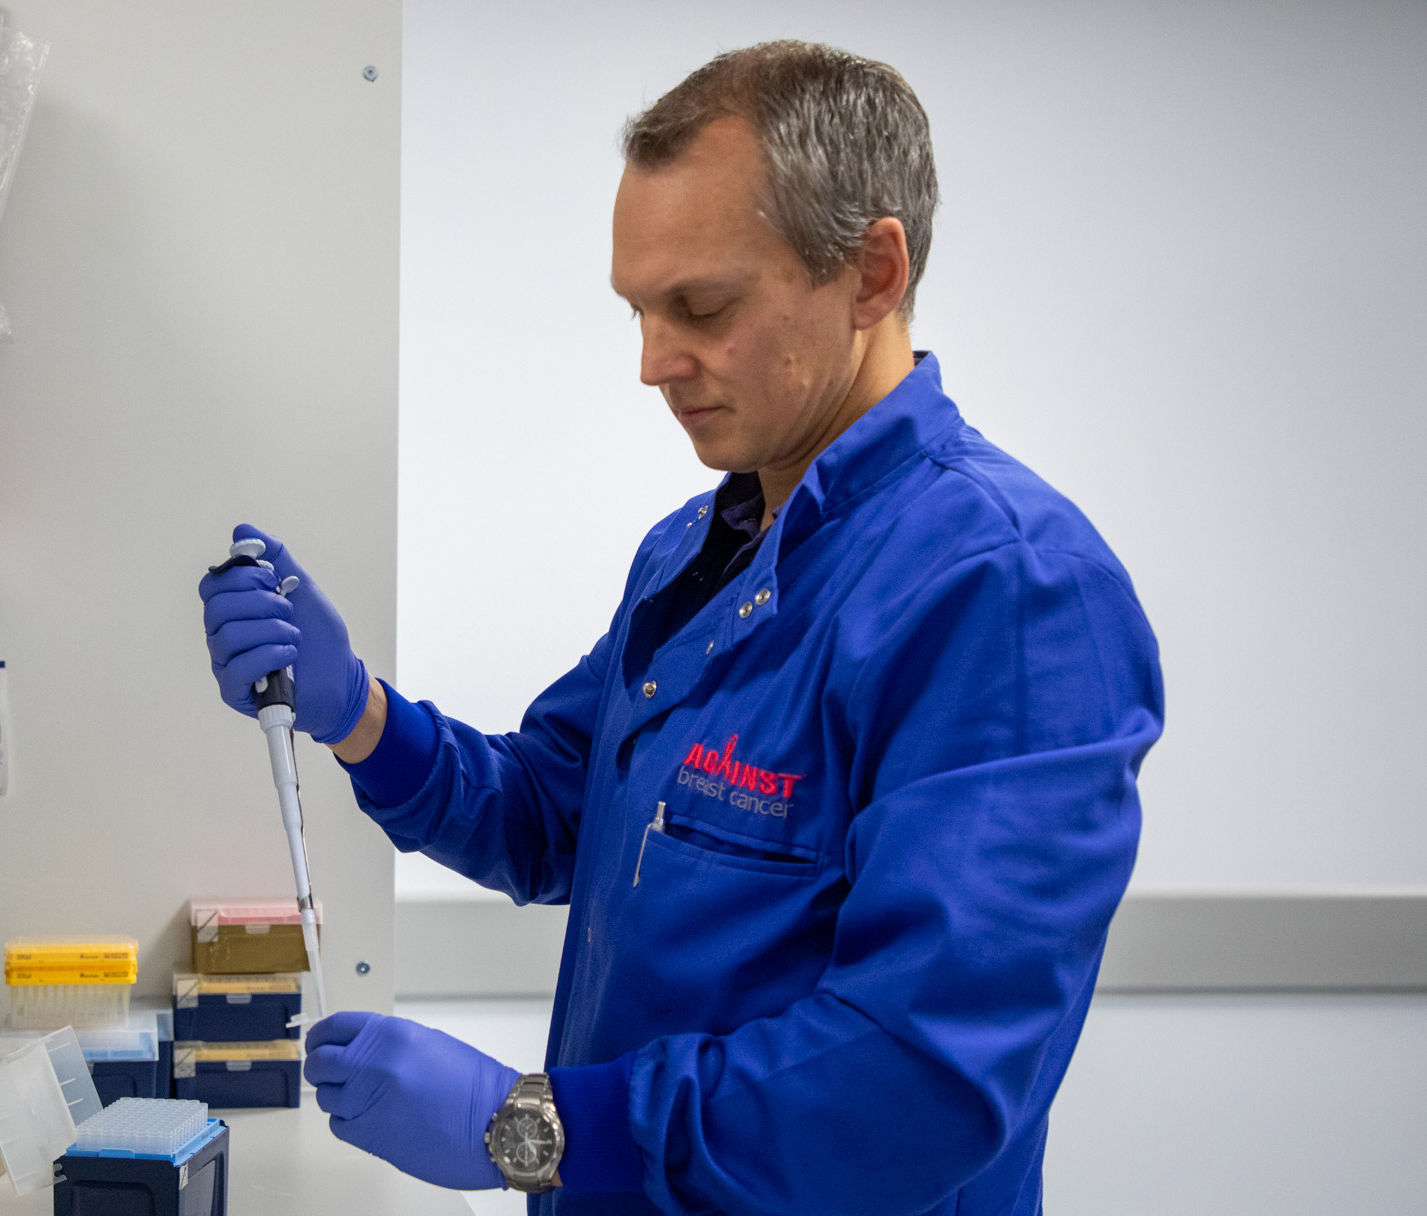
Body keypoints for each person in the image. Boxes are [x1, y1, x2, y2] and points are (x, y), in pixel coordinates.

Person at [199, 39, 1162, 1216]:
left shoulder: (1004, 592)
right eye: (641, 309)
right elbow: (551, 815)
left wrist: (526, 1127)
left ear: (869, 274)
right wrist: (360, 717)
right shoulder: (696, 552)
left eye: (700, 306)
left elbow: (919, 1077)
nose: (653, 362)